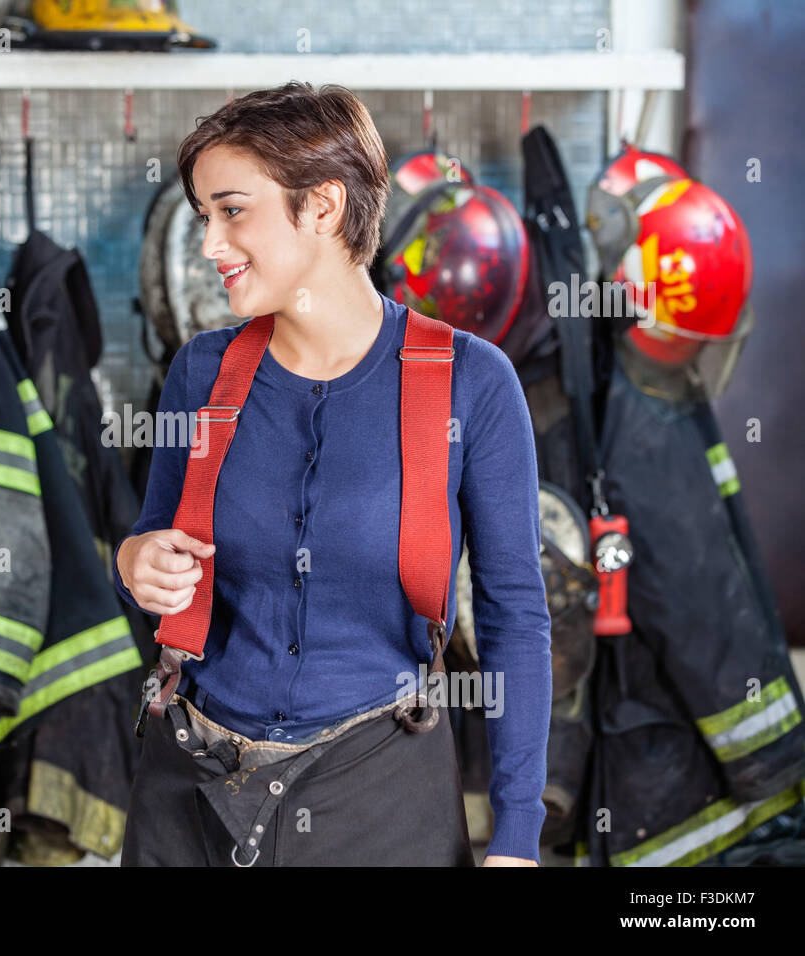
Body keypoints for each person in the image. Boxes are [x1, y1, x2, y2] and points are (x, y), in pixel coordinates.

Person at [112, 82, 552, 867]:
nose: (211, 243)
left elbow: (515, 615)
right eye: (205, 215)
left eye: (232, 210)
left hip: (381, 800)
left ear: (321, 206)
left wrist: (516, 836)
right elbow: (155, 542)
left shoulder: (472, 385)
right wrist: (135, 562)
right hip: (189, 794)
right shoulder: (201, 374)